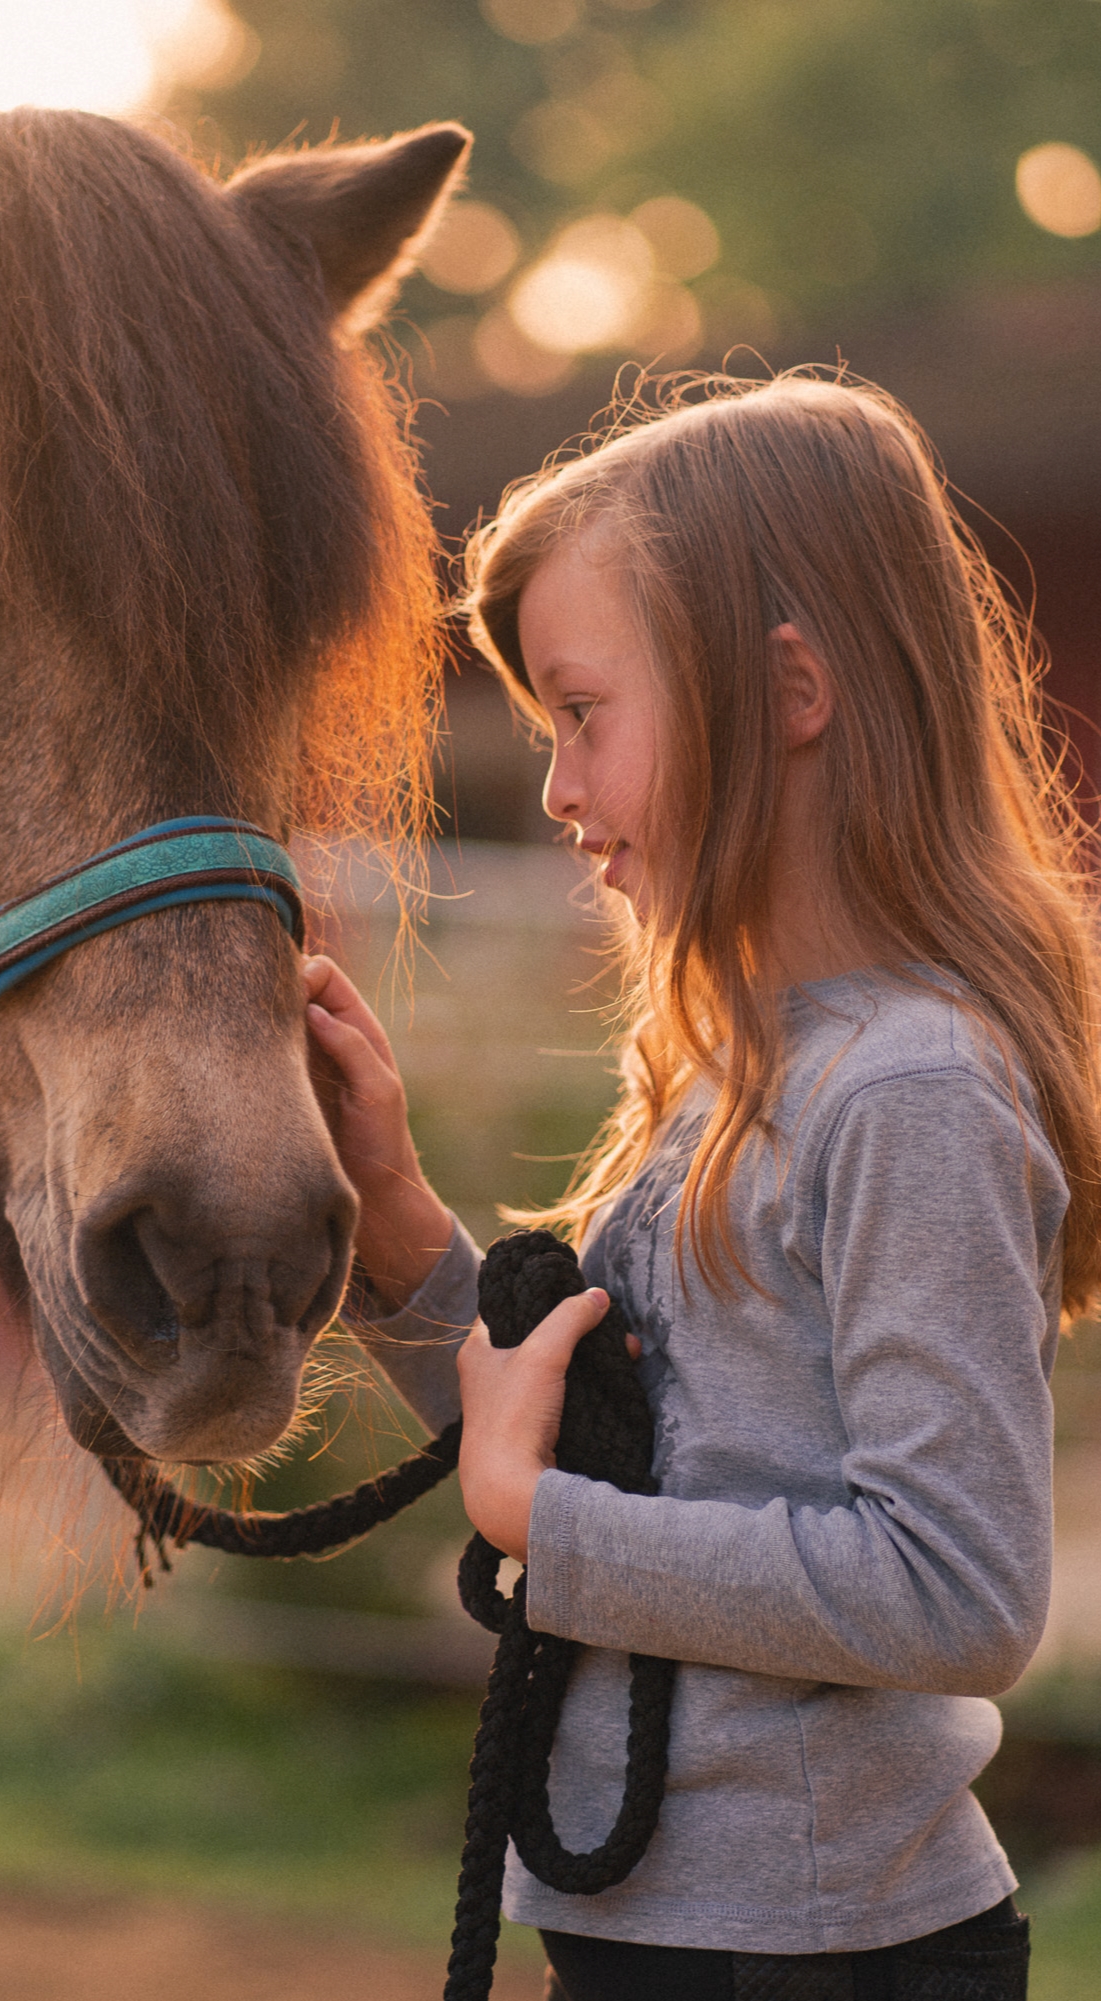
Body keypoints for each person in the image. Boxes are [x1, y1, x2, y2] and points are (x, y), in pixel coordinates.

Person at [306, 374, 1099, 1999]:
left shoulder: (907, 1089)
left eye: (583, 715)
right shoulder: (734, 1070)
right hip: (682, 1931)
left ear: (787, 687)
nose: (554, 794)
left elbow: (955, 1592)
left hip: (816, 1953)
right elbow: (612, 1449)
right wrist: (390, 1209)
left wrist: (544, 1524)